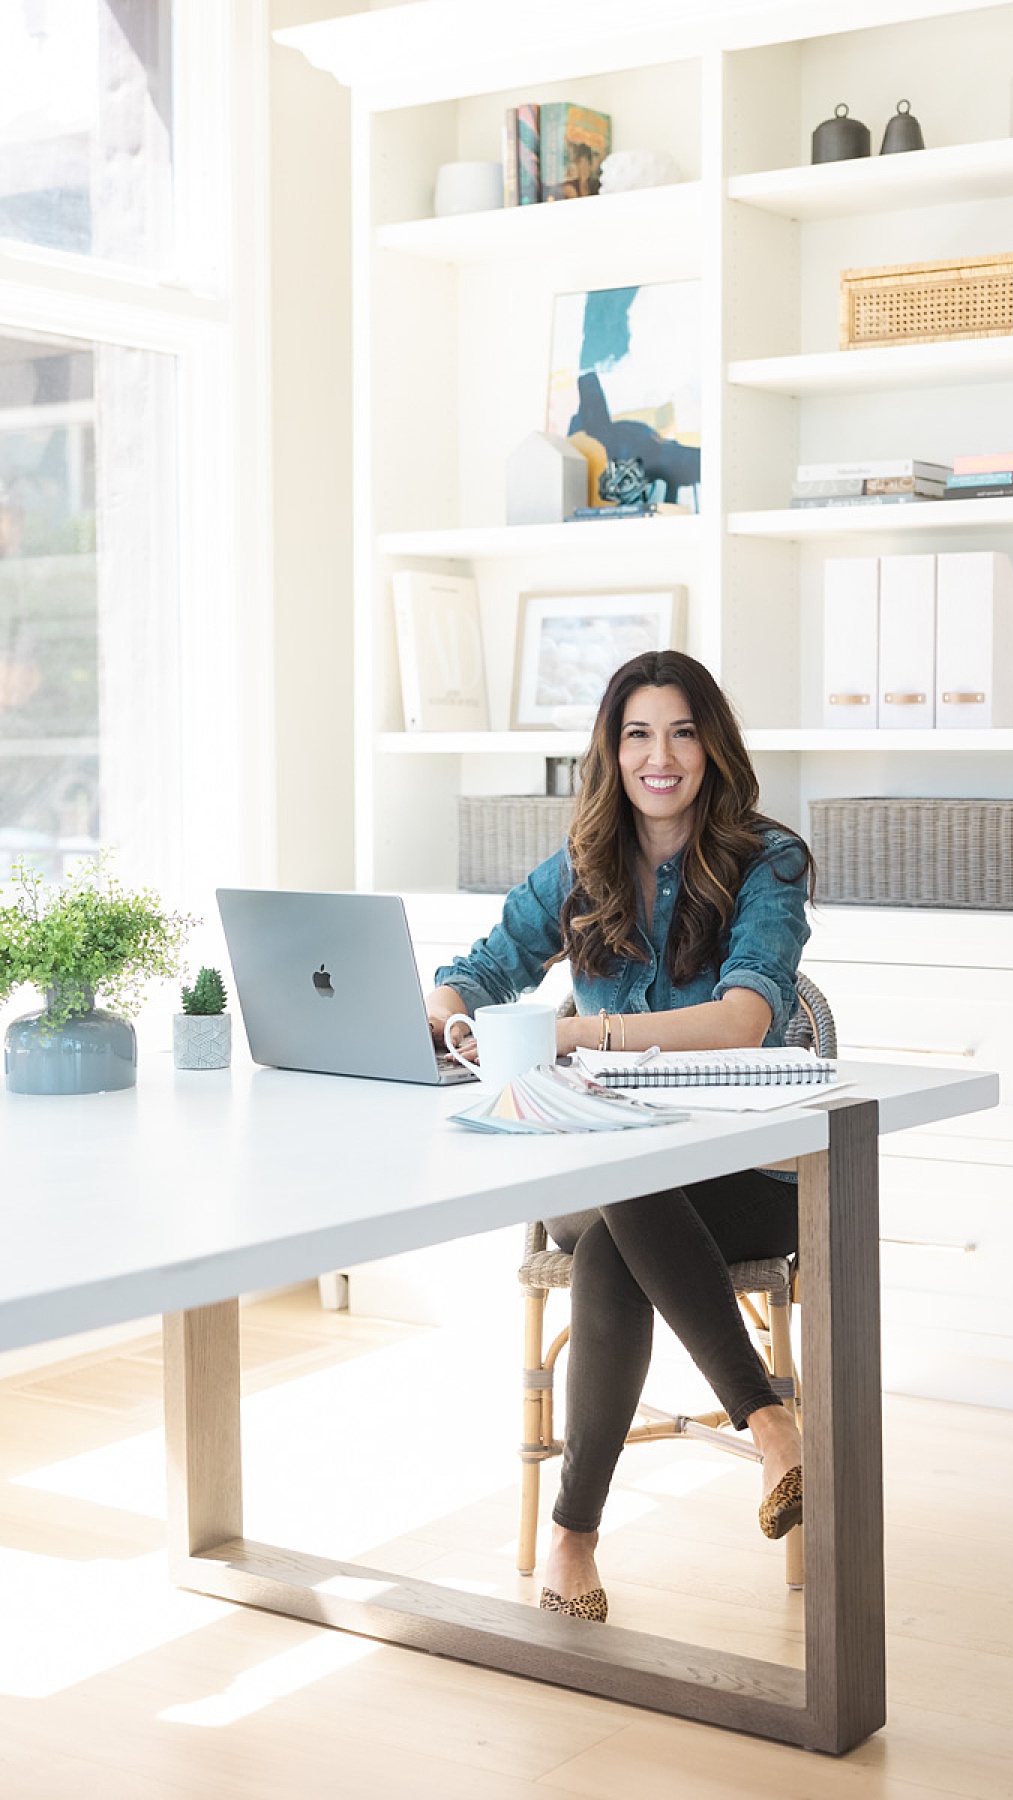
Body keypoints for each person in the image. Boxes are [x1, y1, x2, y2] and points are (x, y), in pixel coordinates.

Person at [426, 650, 813, 1622]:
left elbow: (742, 1021)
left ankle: (573, 1540)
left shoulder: (769, 861)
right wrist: (458, 1016)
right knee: (620, 1177)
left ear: (711, 744)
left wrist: (579, 1033)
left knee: (612, 1240)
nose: (661, 755)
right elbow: (474, 971)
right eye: (638, 733)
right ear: (612, 750)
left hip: (740, 1177)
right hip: (600, 1164)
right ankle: (771, 1427)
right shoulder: (581, 868)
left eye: (682, 731)